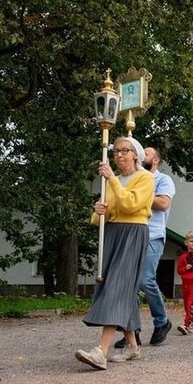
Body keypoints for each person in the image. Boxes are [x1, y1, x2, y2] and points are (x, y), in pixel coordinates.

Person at [75, 137, 153, 369]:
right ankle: (133, 348)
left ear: (135, 155)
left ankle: (102, 350)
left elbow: (130, 205)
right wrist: (99, 212)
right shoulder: (113, 181)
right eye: (116, 151)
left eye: (124, 151)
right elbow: (102, 215)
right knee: (122, 289)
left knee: (117, 286)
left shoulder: (144, 178)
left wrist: (112, 181)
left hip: (133, 232)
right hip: (113, 233)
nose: (119, 155)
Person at [114, 147, 175, 348]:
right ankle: (133, 332)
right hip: (131, 233)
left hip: (153, 235)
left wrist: (139, 196)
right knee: (129, 283)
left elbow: (164, 203)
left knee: (145, 279)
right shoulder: (133, 178)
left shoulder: (163, 180)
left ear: (156, 160)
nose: (141, 156)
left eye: (146, 153)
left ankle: (162, 321)